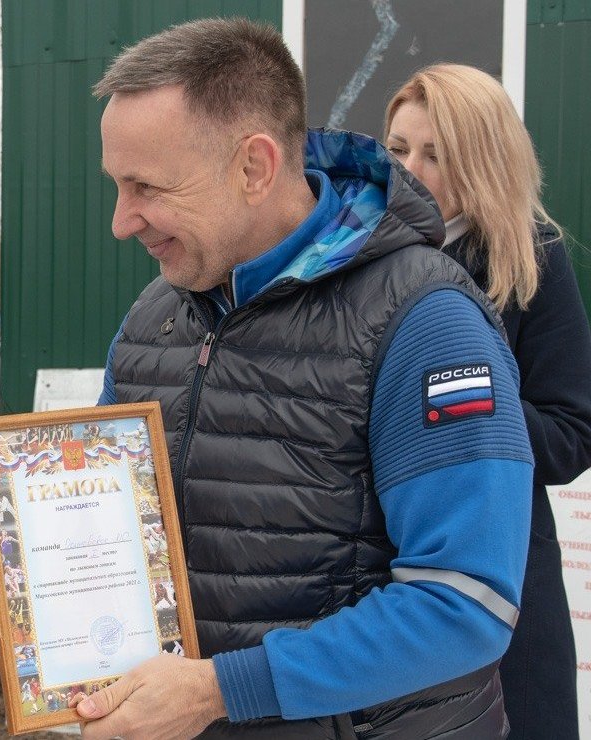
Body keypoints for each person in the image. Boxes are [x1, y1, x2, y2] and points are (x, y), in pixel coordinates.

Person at [69, 18, 531, 739]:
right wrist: (14, 601)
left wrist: (225, 689)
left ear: (253, 167)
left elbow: (465, 603)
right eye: (117, 186)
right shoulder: (156, 314)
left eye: (145, 187)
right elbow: (96, 518)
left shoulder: (425, 321)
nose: (122, 222)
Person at [385, 63, 591, 739]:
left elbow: (570, 434)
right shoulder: (353, 257)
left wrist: (462, 405)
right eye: (398, 149)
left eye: (435, 155)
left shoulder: (532, 257)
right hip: (382, 579)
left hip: (504, 584)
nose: (410, 170)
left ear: (480, 161)